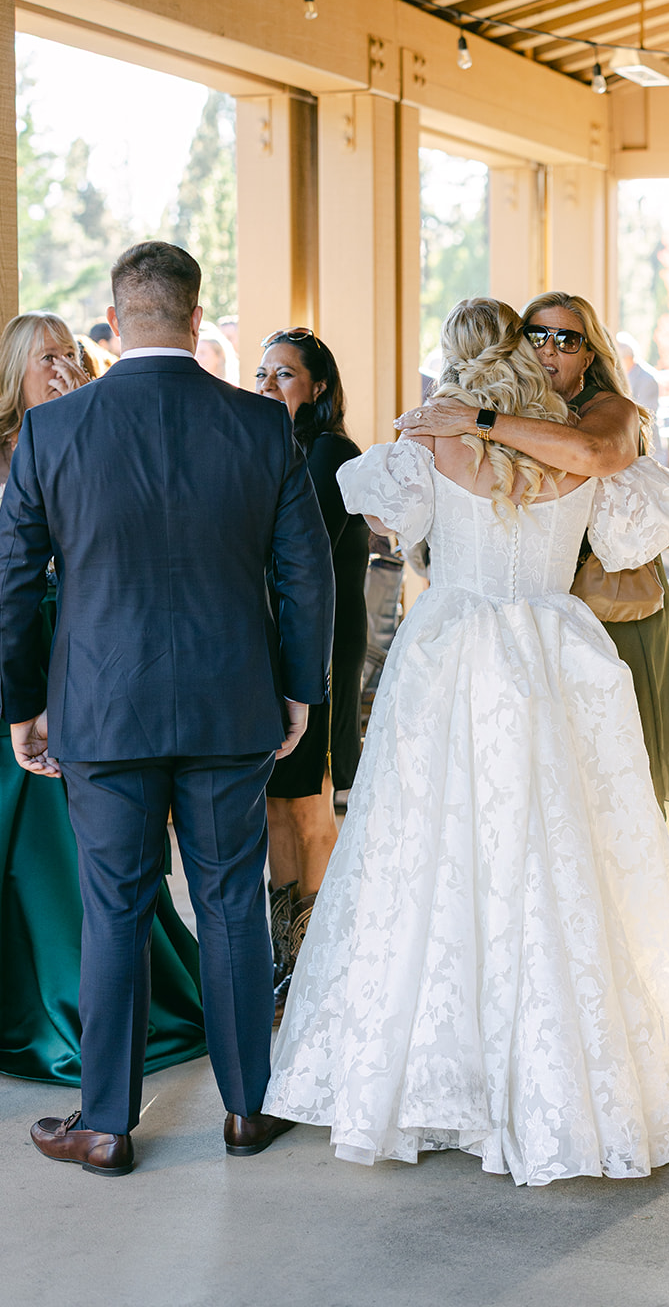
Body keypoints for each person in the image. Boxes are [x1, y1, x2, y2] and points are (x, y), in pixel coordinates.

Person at [263, 297, 669, 1184]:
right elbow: (629, 528)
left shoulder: (430, 446)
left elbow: (383, 521)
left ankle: (427, 1075)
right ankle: (558, 1077)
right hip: (551, 653)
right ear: (530, 363)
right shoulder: (579, 458)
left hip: (452, 651)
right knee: (556, 852)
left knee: (435, 851)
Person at [0, 241, 334, 1176]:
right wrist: (299, 690)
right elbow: (308, 573)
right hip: (232, 704)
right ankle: (248, 1111)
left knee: (116, 911)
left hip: (101, 705)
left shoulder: (54, 432)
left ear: (114, 317)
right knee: (230, 907)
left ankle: (104, 1124)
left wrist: (21, 704)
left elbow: (12, 580)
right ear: (193, 313)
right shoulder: (263, 427)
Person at [399, 289, 669, 884]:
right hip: (532, 624)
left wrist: (478, 420)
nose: (550, 349)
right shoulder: (517, 407)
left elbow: (594, 452)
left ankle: (629, 894)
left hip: (613, 616)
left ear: (590, 355)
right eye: (536, 335)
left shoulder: (605, 407)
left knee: (612, 776)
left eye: (568, 339)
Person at [255, 328, 369, 1006]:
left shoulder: (329, 453)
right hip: (280, 650)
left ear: (318, 388)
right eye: (263, 375)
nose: (268, 386)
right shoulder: (279, 446)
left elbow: (296, 556)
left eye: (285, 376)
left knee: (307, 806)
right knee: (276, 805)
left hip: (317, 651)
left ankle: (320, 966)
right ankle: (286, 957)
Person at [0, 312, 89, 559]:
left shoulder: (95, 442)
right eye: (48, 357)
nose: (65, 370)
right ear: (16, 369)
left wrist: (85, 419)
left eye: (71, 355)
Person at [615, 331, 660, 412]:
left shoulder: (647, 380)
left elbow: (646, 415)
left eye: (618, 360)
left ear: (628, 358)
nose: (616, 365)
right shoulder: (622, 377)